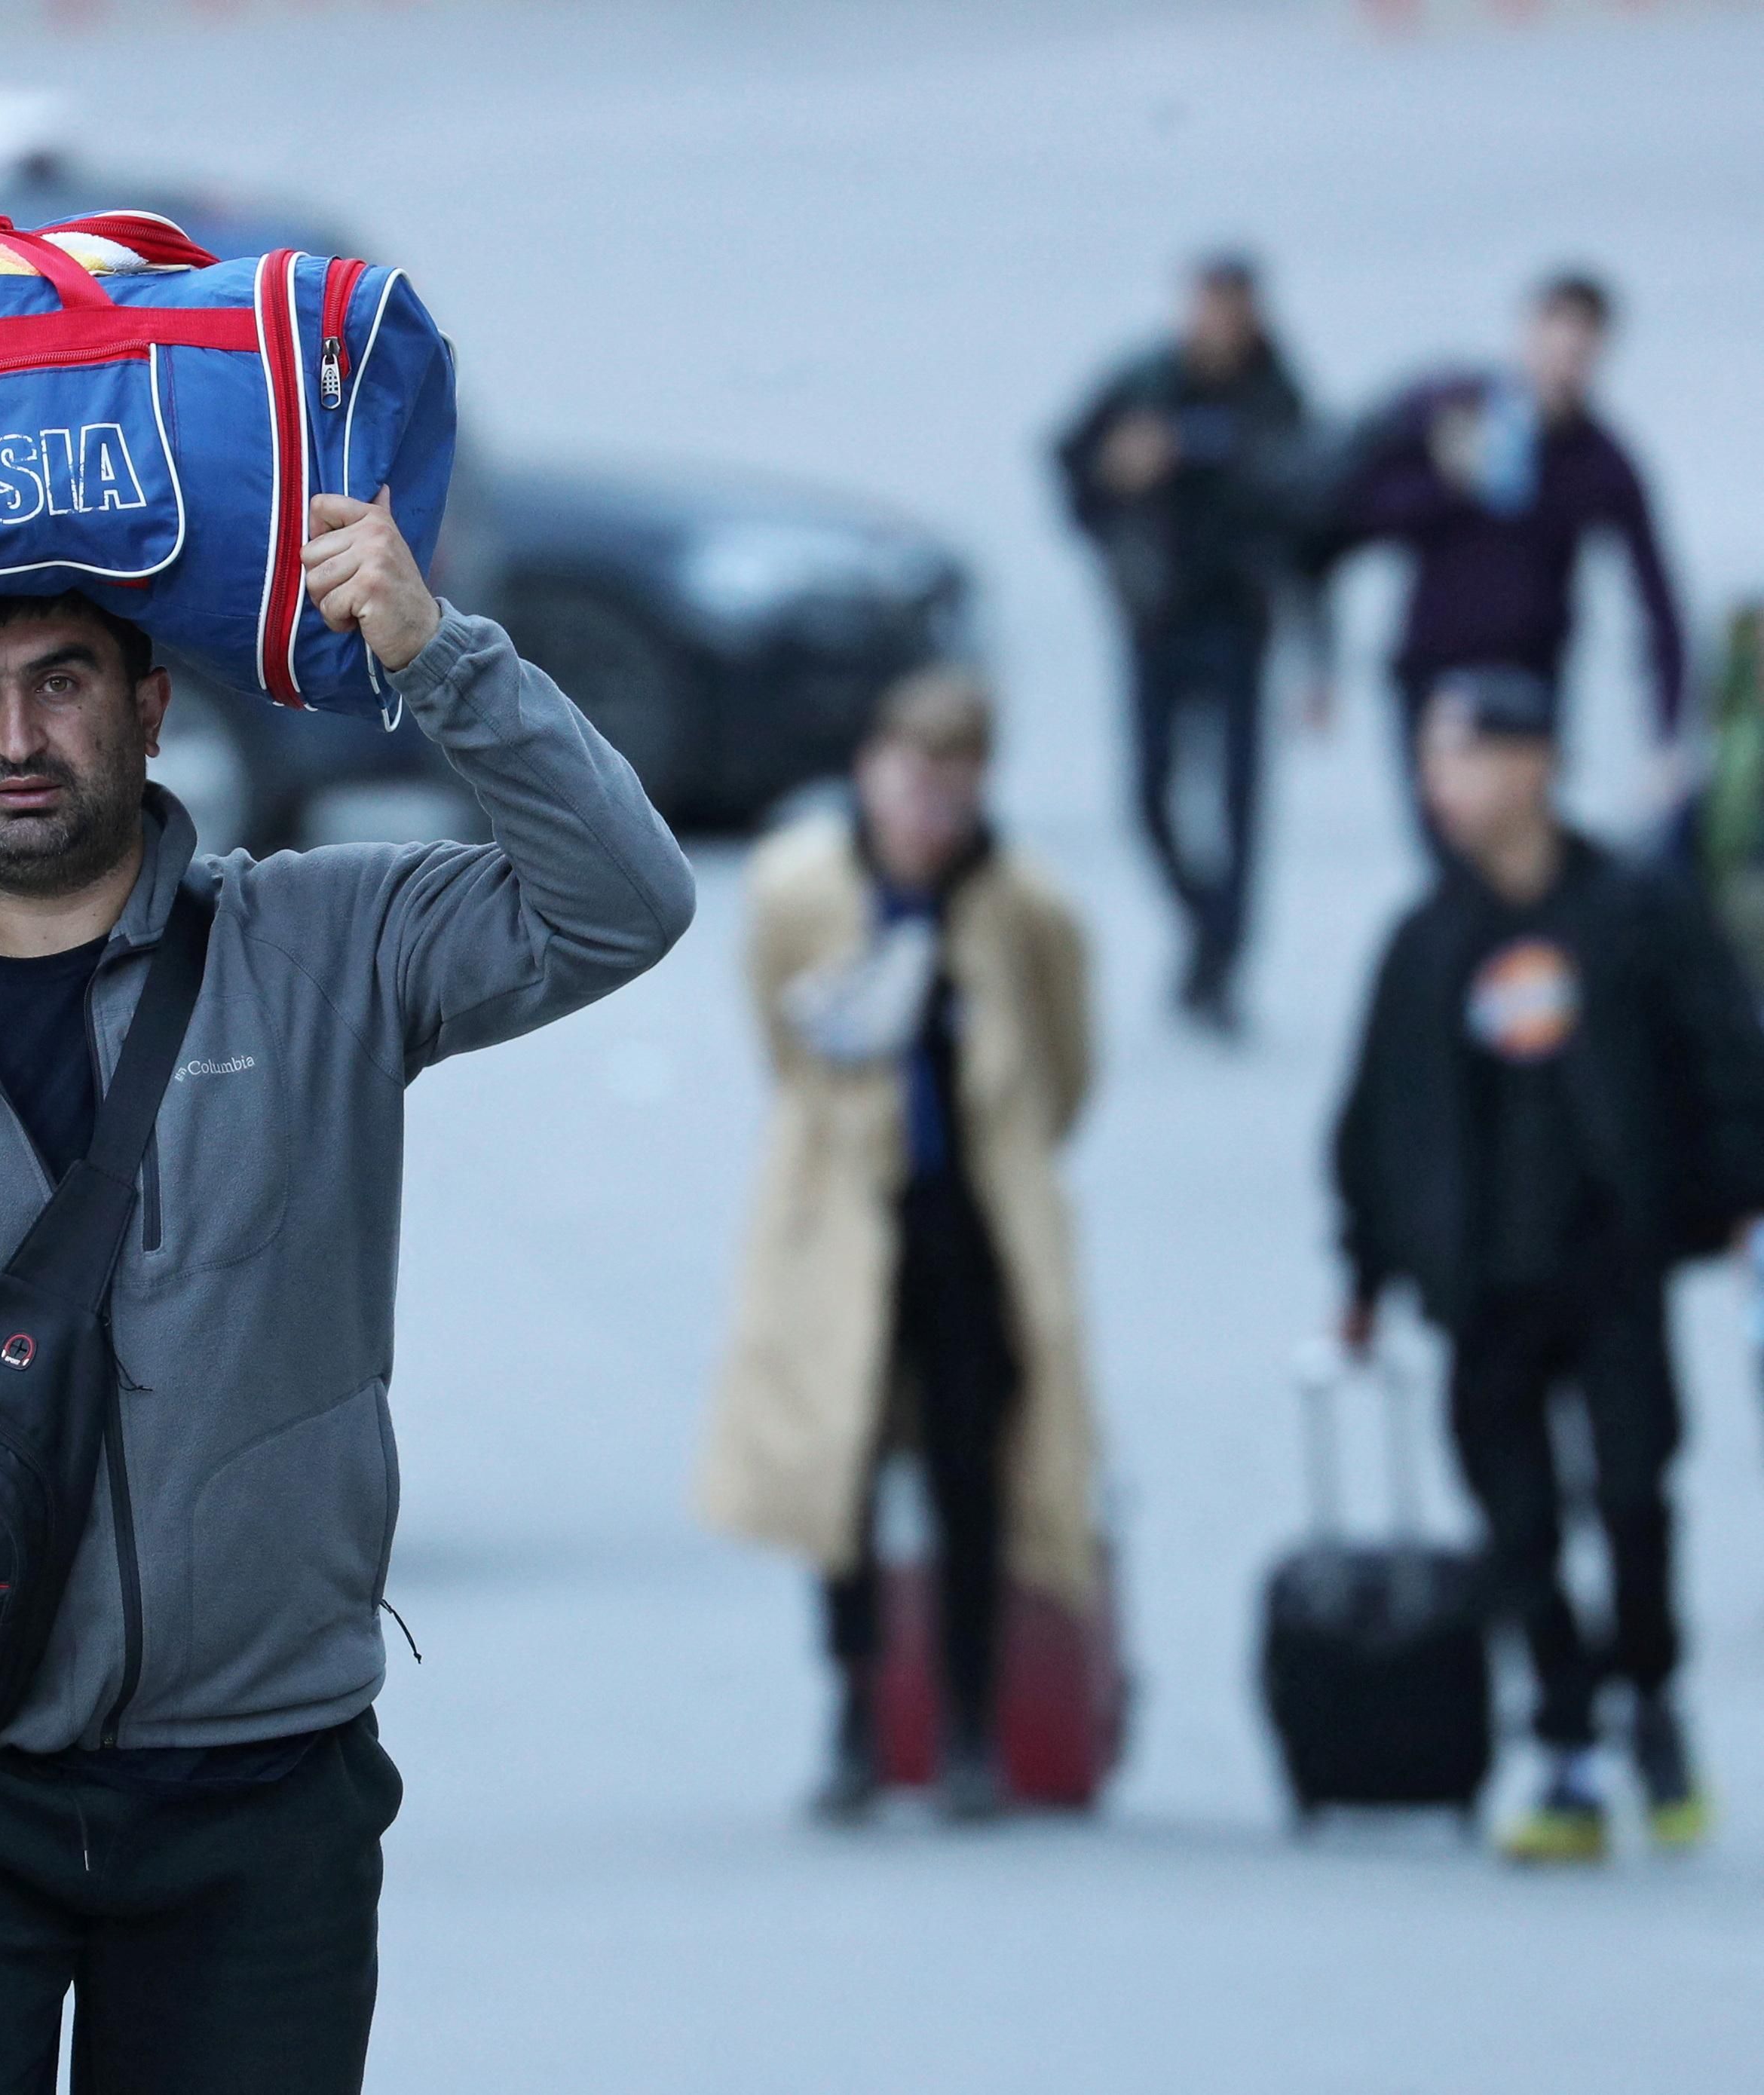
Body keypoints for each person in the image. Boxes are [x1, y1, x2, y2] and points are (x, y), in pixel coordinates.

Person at [0, 489, 694, 2091]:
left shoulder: (329, 945)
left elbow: (624, 900)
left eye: (61, 680)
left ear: (145, 707)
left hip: (259, 1791)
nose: (18, 734)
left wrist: (436, 652)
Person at [1331, 666, 1764, 1863]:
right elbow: (1375, 1117)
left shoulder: (1636, 913)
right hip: (1481, 1282)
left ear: (1532, 764)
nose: (1439, 783)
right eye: (1428, 758)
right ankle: (1564, 1733)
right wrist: (1362, 1270)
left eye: (1460, 754)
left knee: (1632, 1492)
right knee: (1513, 1519)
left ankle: (1651, 1694)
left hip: (1609, 1263)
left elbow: (1723, 1063)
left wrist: (1738, 1206)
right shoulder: (1426, 941)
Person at [700, 666, 1098, 1824]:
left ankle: (970, 1719)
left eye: (953, 786)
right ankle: (855, 1714)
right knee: (839, 1469)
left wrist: (1008, 1141)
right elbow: (777, 1033)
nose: (927, 811)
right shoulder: (799, 888)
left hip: (969, 1222)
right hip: (840, 1220)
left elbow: (1065, 1061)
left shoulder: (1022, 902)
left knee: (976, 1474)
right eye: (908, 779)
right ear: (869, 771)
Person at [1327, 271, 1689, 848]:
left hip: (1529, 677)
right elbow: (1355, 518)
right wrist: (1445, 482)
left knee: (1518, 849)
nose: (1563, 364)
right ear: (1527, 336)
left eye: (1581, 351)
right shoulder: (1454, 412)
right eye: (1554, 342)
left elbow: (1655, 597)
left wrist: (1667, 733)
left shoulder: (1599, 460)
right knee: (1448, 849)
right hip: (1435, 667)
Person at [1055, 252, 1321, 1031]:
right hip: (1157, 619)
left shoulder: (1276, 394)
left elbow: (1306, 499)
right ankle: (1206, 925)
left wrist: (1199, 447)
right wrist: (1115, 492)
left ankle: (1224, 963)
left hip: (1238, 620)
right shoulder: (1142, 381)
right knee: (1150, 794)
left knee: (1239, 801)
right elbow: (1072, 465)